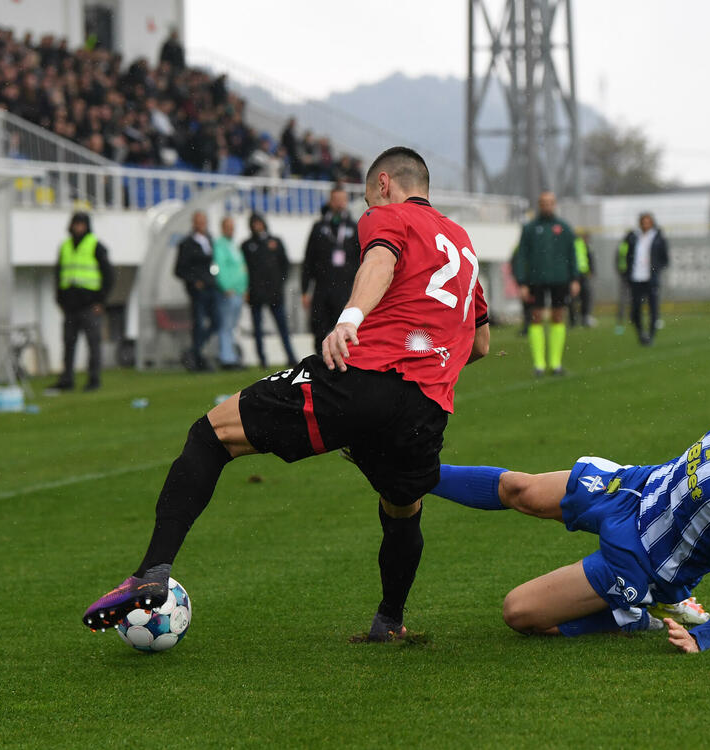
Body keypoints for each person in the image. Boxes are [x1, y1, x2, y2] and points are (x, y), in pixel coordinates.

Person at [83, 147, 491, 642]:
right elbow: (481, 343)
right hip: (426, 406)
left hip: (361, 378)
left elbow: (381, 261)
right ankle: (389, 621)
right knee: (402, 506)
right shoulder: (464, 243)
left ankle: (151, 572)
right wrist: (430, 361)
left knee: (212, 432)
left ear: (384, 183)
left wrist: (349, 319)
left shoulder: (386, 215)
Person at [431, 349, 710, 652]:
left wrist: (701, 638)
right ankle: (415, 473)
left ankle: (634, 614)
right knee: (522, 491)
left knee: (519, 612)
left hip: (643, 561)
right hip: (639, 487)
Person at [512, 191, 579, 375]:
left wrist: (574, 278)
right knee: (536, 318)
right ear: (539, 204)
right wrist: (522, 282)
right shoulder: (530, 228)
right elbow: (522, 256)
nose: (547, 205)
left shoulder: (564, 227)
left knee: (558, 316)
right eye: (543, 202)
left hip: (560, 279)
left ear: (554, 204)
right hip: (536, 280)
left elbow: (572, 254)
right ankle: (539, 365)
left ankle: (556, 363)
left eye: (550, 202)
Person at [50, 212, 115, 391]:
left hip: (89, 305)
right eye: (76, 224)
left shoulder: (96, 246)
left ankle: (94, 379)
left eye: (81, 224)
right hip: (70, 306)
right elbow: (58, 274)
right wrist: (59, 299)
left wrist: (101, 301)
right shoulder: (65, 247)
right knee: (68, 344)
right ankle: (67, 380)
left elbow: (109, 276)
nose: (78, 228)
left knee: (93, 344)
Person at [301, 185, 361, 354]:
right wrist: (305, 290)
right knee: (319, 328)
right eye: (336, 200)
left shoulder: (354, 226)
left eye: (343, 200)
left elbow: (360, 260)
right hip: (322, 287)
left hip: (345, 288)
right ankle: (318, 363)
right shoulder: (319, 227)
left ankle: (343, 367)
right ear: (330, 201)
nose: (340, 204)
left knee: (344, 329)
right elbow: (308, 260)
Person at [241, 213, 297, 368]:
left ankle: (291, 356)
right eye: (254, 223)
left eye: (259, 223)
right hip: (256, 293)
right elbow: (245, 269)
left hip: (274, 292)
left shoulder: (275, 242)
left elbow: (285, 265)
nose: (257, 226)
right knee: (258, 329)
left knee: (282, 328)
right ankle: (262, 359)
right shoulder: (247, 245)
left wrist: (280, 283)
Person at [174, 211, 219, 371]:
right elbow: (179, 269)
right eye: (199, 222)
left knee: (216, 322)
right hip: (198, 291)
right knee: (199, 324)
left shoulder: (210, 240)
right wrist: (194, 281)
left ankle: (194, 351)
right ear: (194, 223)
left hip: (211, 287)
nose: (202, 225)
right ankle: (197, 357)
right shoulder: (187, 243)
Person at [620, 213, 669, 346]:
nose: (645, 224)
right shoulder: (634, 237)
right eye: (643, 222)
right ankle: (641, 333)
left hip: (651, 278)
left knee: (653, 308)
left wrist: (655, 269)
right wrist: (627, 271)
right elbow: (627, 255)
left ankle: (651, 335)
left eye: (648, 222)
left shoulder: (658, 237)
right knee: (635, 309)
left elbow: (665, 258)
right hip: (636, 277)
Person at [212, 216, 247, 370]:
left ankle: (231, 356)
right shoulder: (220, 245)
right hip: (229, 292)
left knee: (231, 326)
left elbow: (241, 268)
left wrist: (244, 288)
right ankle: (227, 358)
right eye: (228, 226)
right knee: (226, 325)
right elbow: (220, 268)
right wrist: (226, 286)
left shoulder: (233, 245)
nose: (231, 229)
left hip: (238, 291)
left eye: (232, 226)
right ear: (222, 228)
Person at [569, 232, 596, 328]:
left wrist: (591, 270)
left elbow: (589, 258)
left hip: (582, 274)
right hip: (578, 275)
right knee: (581, 297)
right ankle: (580, 318)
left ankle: (576, 319)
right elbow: (589, 258)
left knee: (581, 297)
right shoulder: (579, 245)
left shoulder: (582, 245)